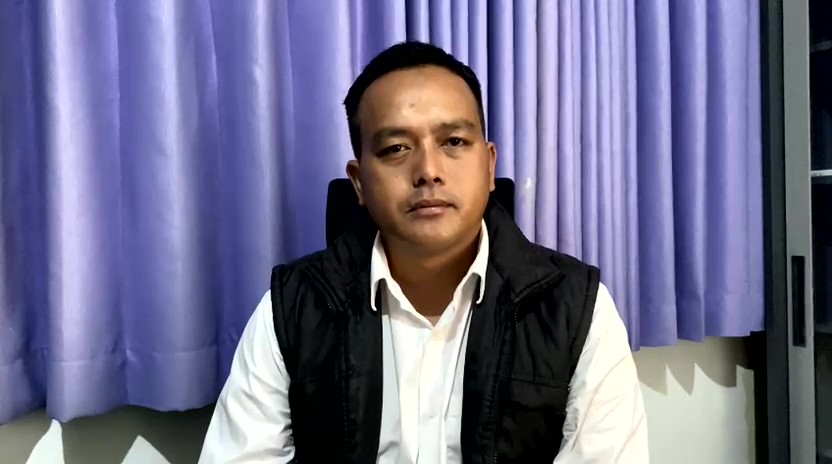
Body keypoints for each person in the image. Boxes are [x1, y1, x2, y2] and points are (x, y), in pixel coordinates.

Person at [199, 41, 648, 463]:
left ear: (489, 165)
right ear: (359, 182)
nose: (428, 170)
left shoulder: (574, 307)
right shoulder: (293, 307)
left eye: (453, 142)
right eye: (396, 148)